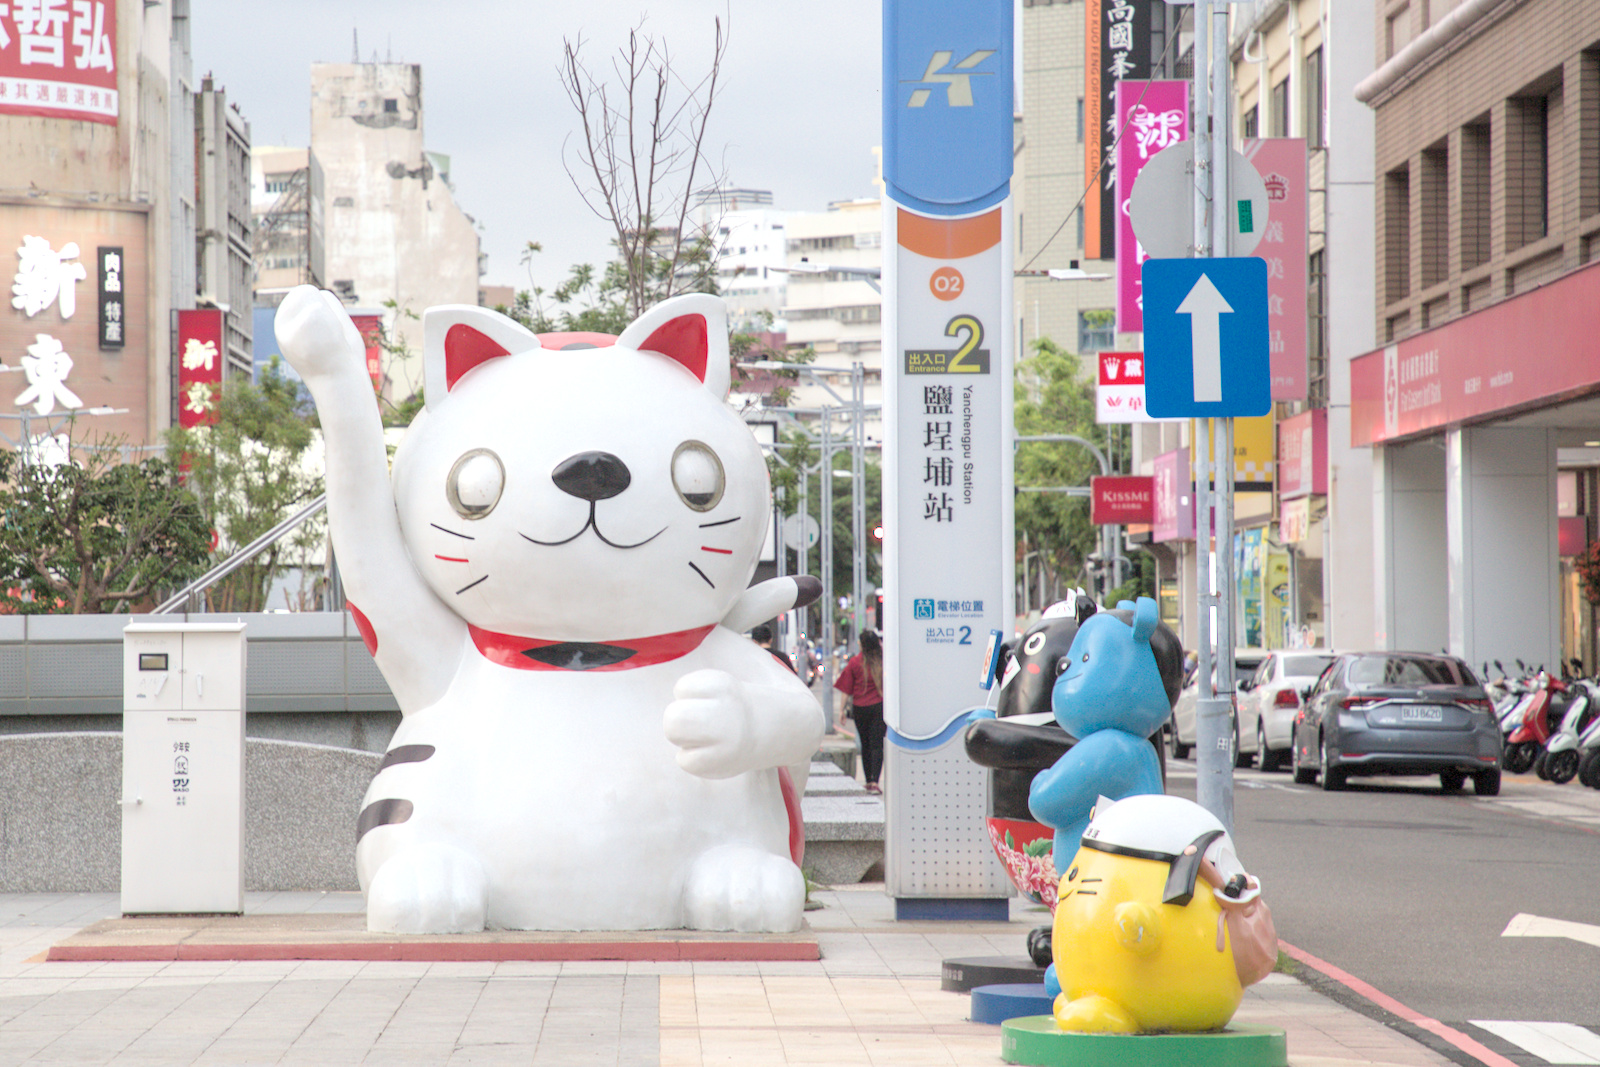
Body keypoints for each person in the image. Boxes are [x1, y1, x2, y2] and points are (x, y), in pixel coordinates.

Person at [835, 631, 885, 794]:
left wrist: (842, 710)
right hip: (879, 707)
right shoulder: (883, 662)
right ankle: (875, 782)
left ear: (863, 644)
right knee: (877, 745)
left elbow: (846, 689)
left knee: (865, 745)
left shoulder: (855, 662)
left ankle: (868, 780)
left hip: (860, 708)